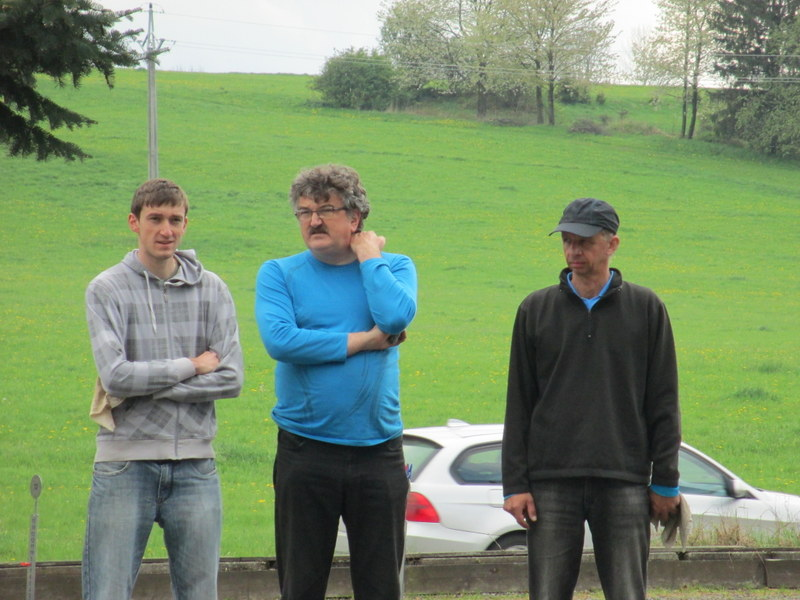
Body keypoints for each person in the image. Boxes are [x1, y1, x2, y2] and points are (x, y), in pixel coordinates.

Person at [502, 197, 681, 600]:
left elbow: (664, 401)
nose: (573, 250)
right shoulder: (535, 310)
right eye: (567, 241)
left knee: (627, 593)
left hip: (624, 480)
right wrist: (514, 484)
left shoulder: (646, 308)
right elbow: (519, 403)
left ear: (612, 244)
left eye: (583, 241)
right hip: (550, 482)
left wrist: (666, 482)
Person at [255, 164, 417, 600]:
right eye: (304, 211)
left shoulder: (394, 267)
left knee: (381, 587)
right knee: (301, 585)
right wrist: (366, 341)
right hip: (305, 451)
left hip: (379, 453)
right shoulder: (279, 273)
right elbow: (281, 341)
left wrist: (369, 257)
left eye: (326, 210)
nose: (313, 221)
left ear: (355, 217)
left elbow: (395, 317)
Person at [82, 178, 244, 600]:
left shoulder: (213, 289)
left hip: (196, 464)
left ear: (186, 224)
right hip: (124, 464)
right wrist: (191, 366)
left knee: (199, 594)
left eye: (175, 219)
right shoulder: (106, 289)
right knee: (106, 592)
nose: (166, 230)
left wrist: (153, 387)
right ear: (134, 222)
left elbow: (231, 378)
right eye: (155, 219)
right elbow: (116, 377)